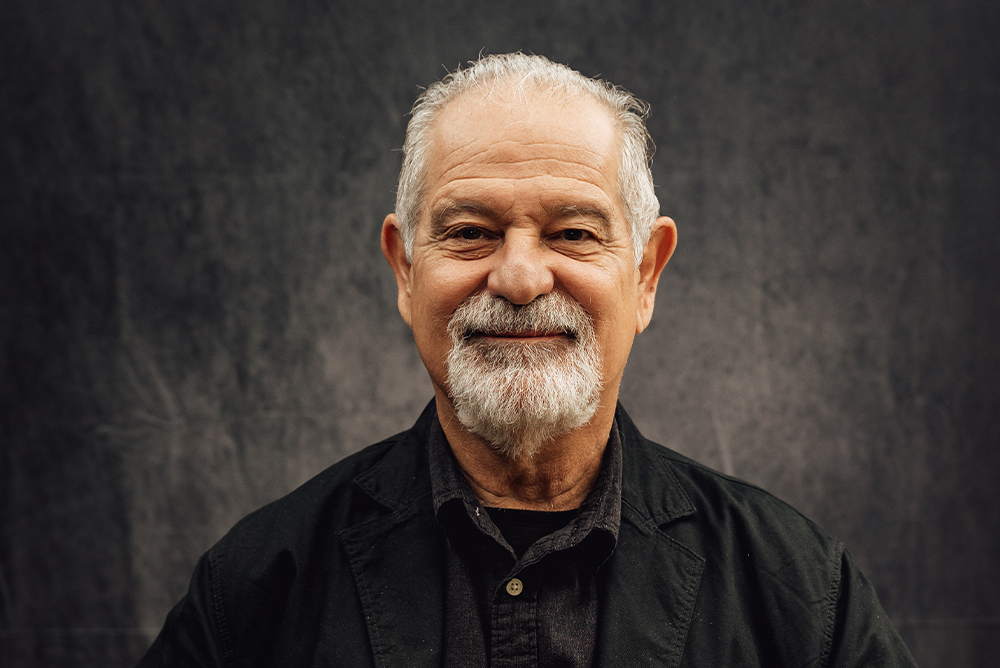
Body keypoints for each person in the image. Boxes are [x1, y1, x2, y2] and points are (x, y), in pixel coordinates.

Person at [139, 53, 915, 667]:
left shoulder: (802, 597)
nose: (517, 278)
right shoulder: (255, 591)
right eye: (470, 231)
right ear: (405, 270)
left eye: (574, 233)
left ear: (645, 274)